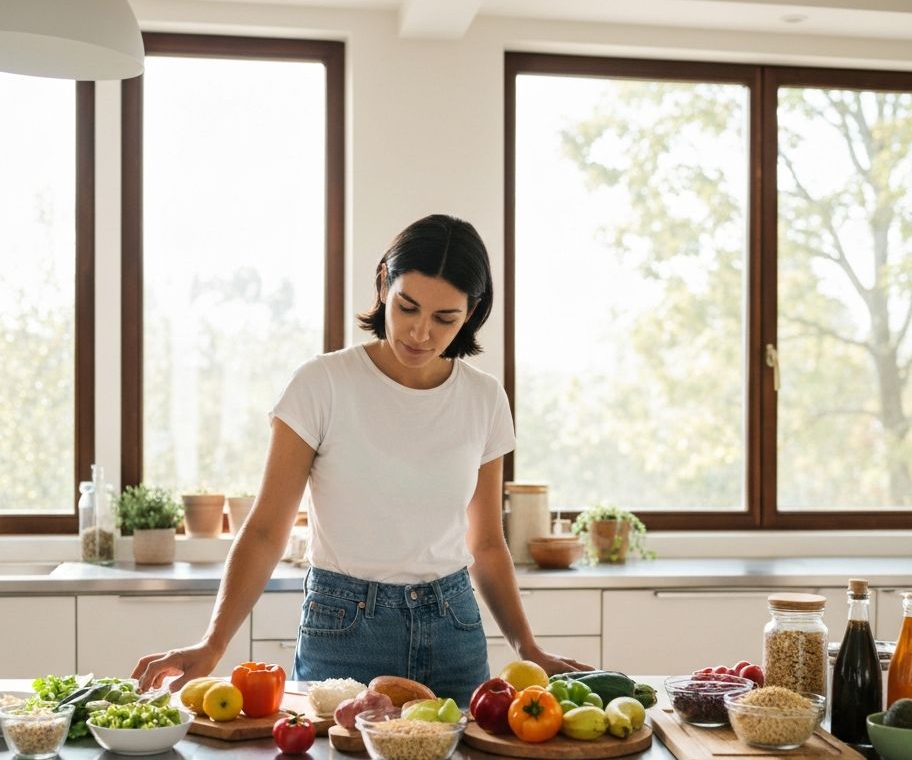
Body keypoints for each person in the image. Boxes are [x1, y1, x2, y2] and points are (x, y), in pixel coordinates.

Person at [132, 214, 593, 705]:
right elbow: (267, 530)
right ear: (383, 283)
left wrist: (528, 647)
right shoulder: (322, 384)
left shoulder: (484, 398)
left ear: (472, 312)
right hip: (343, 628)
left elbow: (485, 542)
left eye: (445, 318)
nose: (419, 333)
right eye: (407, 307)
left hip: (454, 629)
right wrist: (214, 641)